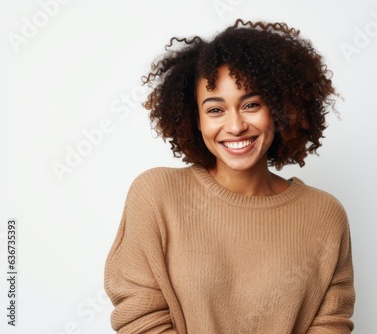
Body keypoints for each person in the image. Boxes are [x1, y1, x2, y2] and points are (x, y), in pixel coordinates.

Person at [104, 19, 355, 333]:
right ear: (195, 119)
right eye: (215, 109)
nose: (235, 126)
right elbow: (139, 317)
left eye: (251, 104)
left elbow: (331, 325)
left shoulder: (324, 215)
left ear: (278, 110)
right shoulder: (157, 195)